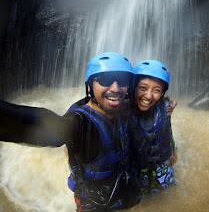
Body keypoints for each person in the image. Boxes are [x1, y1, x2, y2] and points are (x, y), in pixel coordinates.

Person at [0, 52, 177, 211]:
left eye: (122, 81)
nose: (115, 88)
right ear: (89, 86)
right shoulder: (80, 123)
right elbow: (44, 125)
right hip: (96, 205)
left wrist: (163, 108)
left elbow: (145, 111)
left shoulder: (122, 109)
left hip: (122, 193)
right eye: (105, 80)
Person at [129, 59, 178, 195]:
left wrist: (174, 149)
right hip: (137, 173)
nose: (149, 96)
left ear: (162, 93)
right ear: (133, 87)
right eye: (143, 88)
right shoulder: (122, 111)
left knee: (167, 197)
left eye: (156, 91)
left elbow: (167, 129)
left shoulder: (165, 105)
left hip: (162, 171)